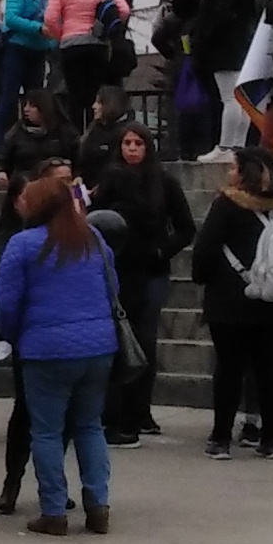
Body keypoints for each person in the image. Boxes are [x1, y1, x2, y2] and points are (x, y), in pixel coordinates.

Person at [0, 163, 120, 535]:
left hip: (46, 348)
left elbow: (7, 302)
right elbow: (113, 288)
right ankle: (98, 506)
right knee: (90, 426)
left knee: (46, 431)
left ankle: (53, 510)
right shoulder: (93, 238)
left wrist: (16, 337)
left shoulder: (23, 244)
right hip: (98, 346)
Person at [193, 142, 273, 456]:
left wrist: (203, 277)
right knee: (269, 367)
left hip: (230, 300)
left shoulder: (227, 204)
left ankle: (221, 437)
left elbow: (206, 250)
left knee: (229, 369)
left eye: (233, 167)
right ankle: (270, 439)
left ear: (244, 171)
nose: (229, 173)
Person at [92, 122, 192, 445]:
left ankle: (140, 411)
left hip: (150, 271)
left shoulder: (164, 183)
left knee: (144, 340)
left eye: (138, 143)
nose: (132, 149)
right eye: (127, 143)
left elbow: (185, 227)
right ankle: (112, 411)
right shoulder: (109, 180)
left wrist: (162, 250)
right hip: (114, 269)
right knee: (115, 339)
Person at [177, 0, 260, 160]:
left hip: (224, 51)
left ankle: (225, 147)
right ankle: (237, 146)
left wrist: (201, 40)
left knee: (230, 99)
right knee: (240, 100)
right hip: (241, 48)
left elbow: (215, 19)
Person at [42, 0, 131, 127]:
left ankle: (76, 141)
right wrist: (107, 29)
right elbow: (124, 10)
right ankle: (93, 137)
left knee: (74, 96)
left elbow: (50, 18)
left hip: (71, 44)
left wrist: (62, 35)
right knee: (95, 95)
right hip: (98, 45)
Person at [0, 0, 53, 145]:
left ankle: (31, 141)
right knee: (9, 97)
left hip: (39, 51)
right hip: (17, 48)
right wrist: (38, 28)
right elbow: (11, 18)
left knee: (35, 100)